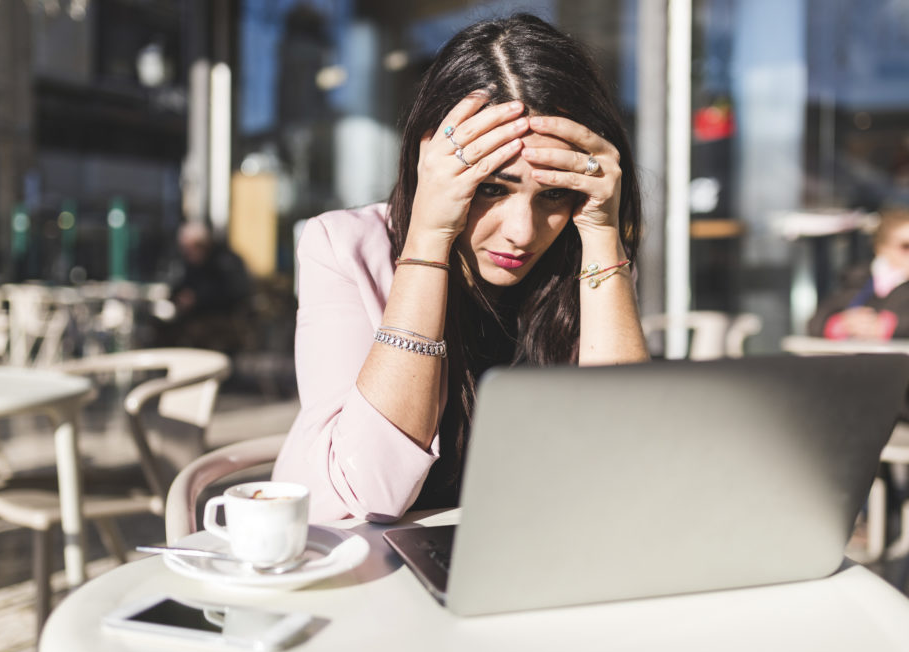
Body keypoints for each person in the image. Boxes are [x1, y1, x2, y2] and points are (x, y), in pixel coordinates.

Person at [272, 14, 649, 523]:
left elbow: (626, 467)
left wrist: (604, 235)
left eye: (555, 193)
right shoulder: (342, 248)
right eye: (492, 188)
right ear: (432, 162)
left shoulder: (584, 255)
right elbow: (368, 491)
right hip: (365, 571)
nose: (522, 230)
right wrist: (429, 236)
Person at [807, 207, 909, 341]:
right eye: (907, 246)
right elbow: (815, 323)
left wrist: (891, 326)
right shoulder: (858, 279)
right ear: (881, 248)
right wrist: (841, 324)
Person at [158, 220, 252, 352]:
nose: (185, 253)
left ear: (202, 245)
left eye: (189, 248)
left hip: (223, 323)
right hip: (194, 321)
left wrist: (198, 299)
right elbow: (180, 287)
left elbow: (235, 293)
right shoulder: (192, 264)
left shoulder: (226, 262)